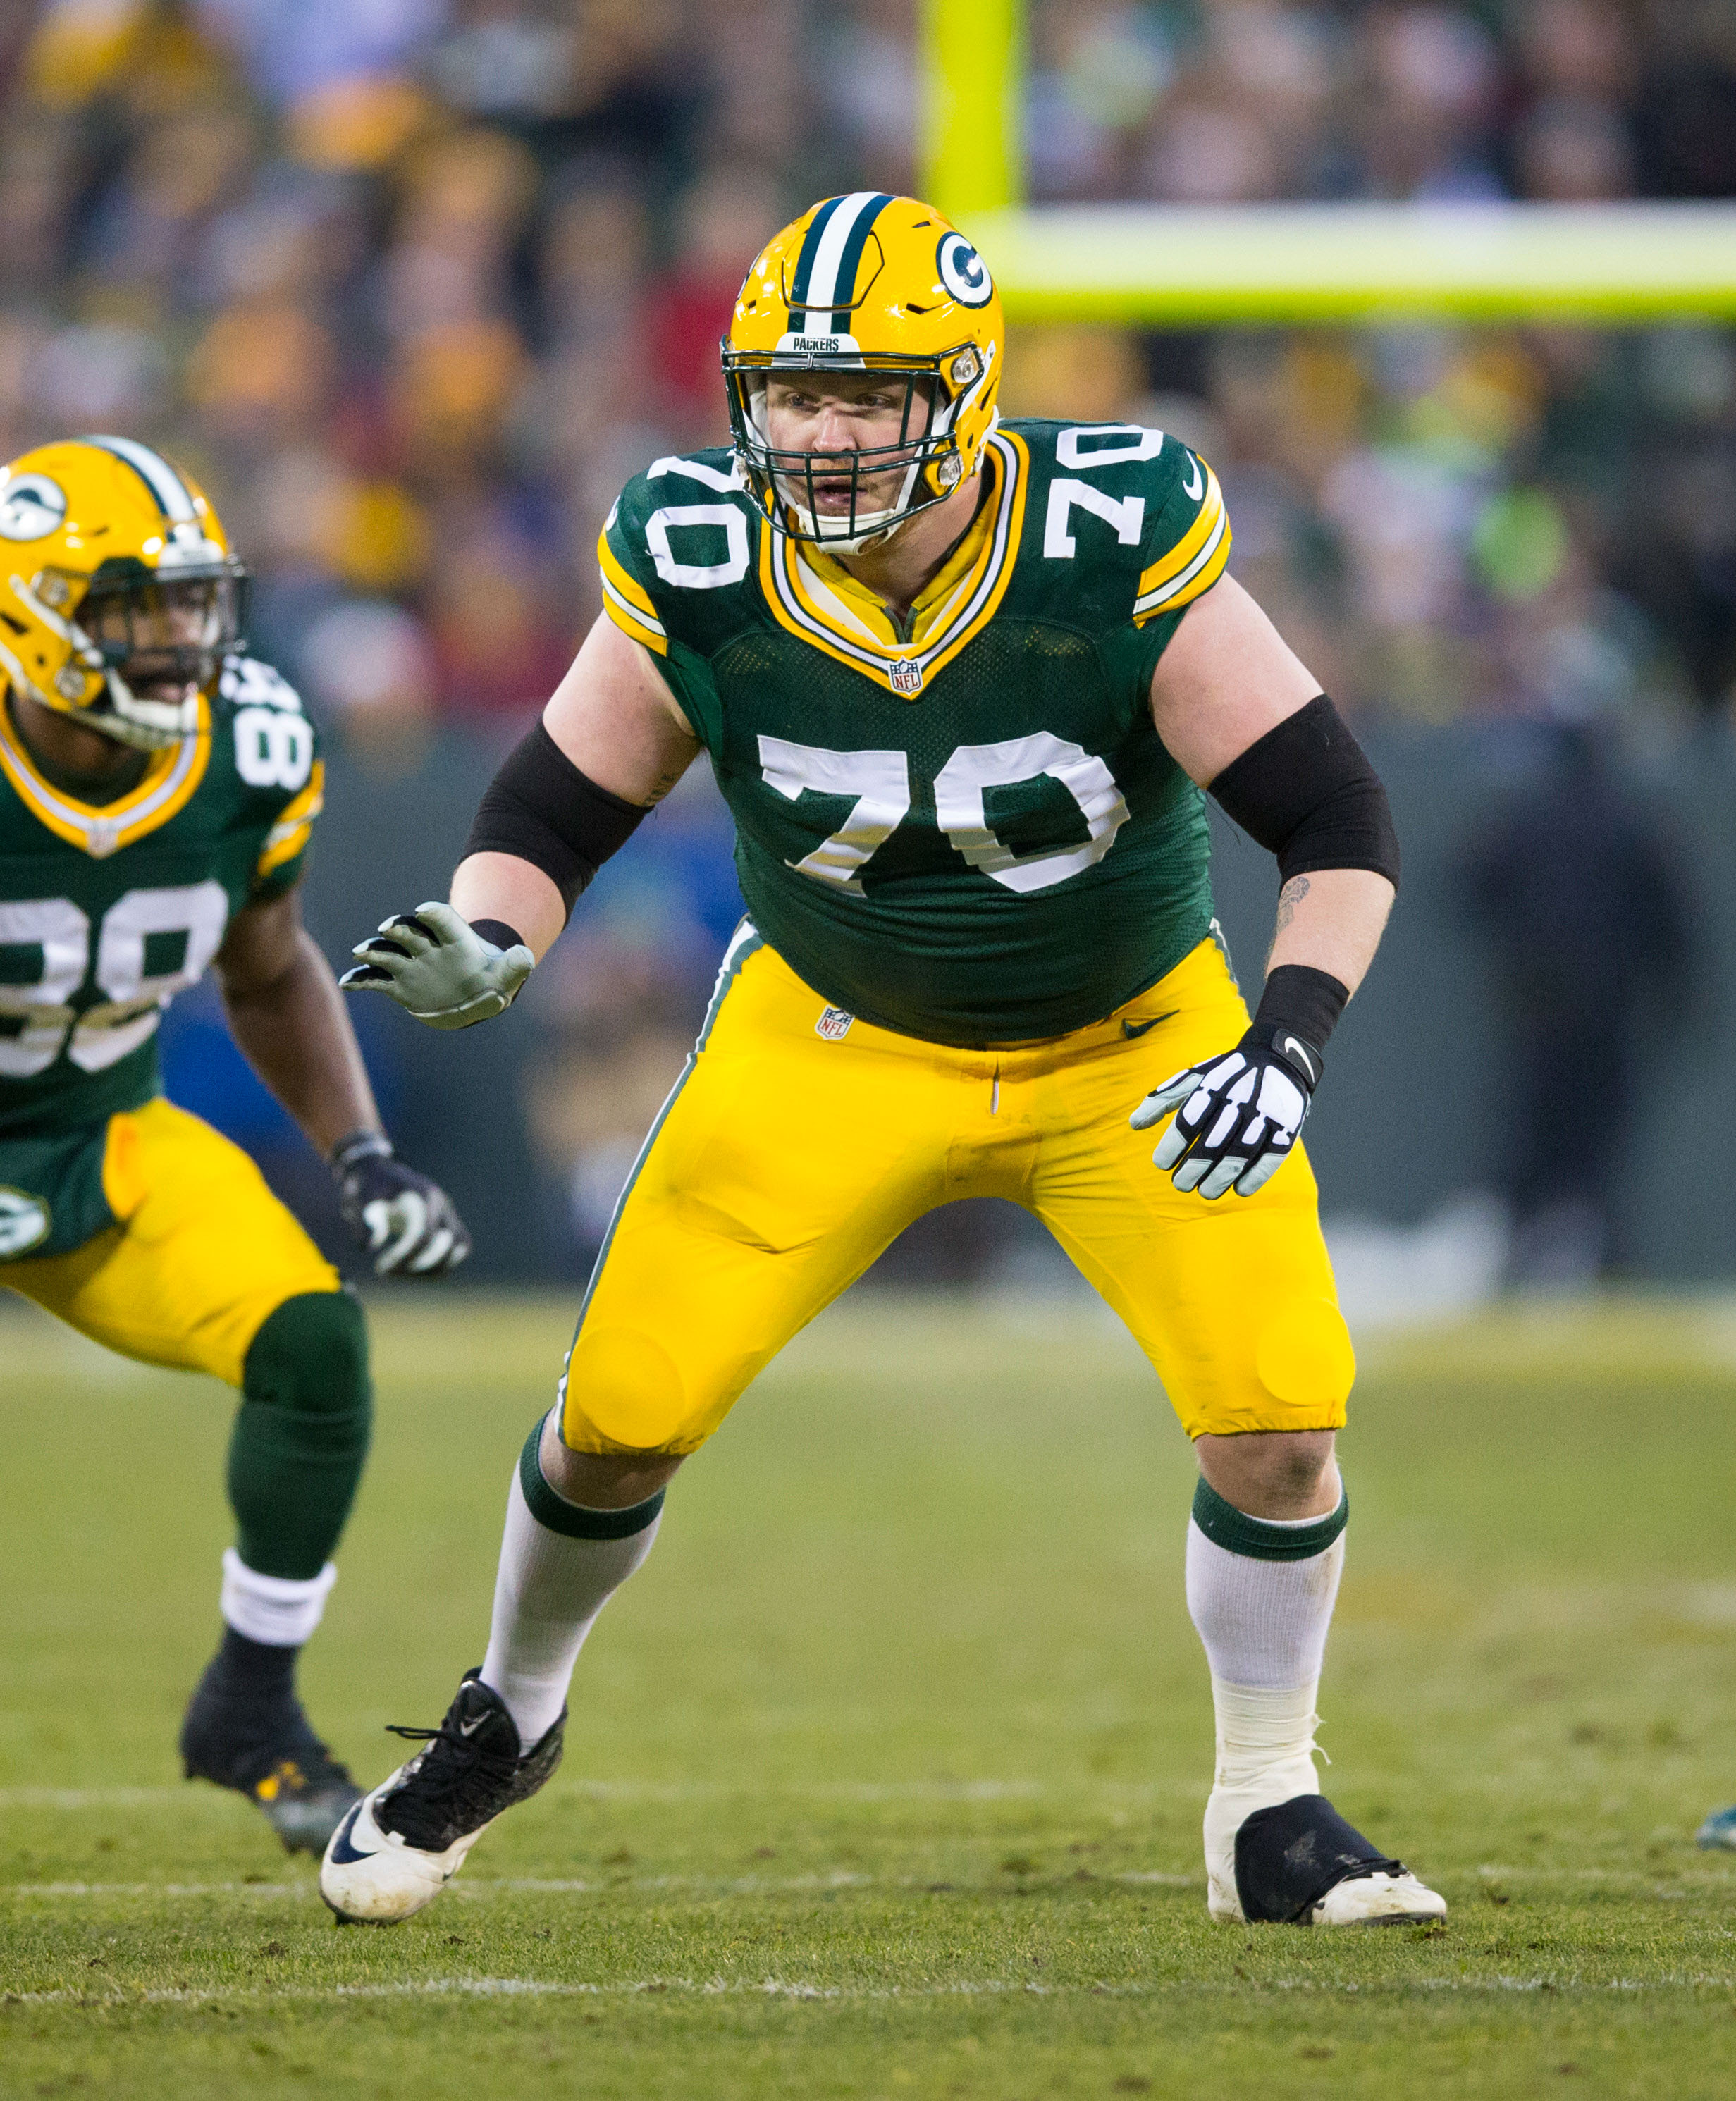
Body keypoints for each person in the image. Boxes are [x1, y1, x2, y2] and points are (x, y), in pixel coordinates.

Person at [321, 193, 1442, 1929]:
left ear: (965, 395)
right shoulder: (694, 546)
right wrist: (500, 933)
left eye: (861, 398)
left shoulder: (1105, 532)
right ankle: (507, 1714)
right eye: (787, 394)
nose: (816, 434)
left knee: (1280, 1429)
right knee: (614, 1424)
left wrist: (1285, 1047)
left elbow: (1336, 821)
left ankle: (1262, 1807)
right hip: (832, 1035)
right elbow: (551, 805)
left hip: (1130, 1039)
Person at [0, 437, 469, 1854]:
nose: (177, 641)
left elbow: (265, 972)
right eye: (135, 609)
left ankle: (248, 1708)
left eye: (192, 604)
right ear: (34, 611)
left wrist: (363, 1155)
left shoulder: (249, 744)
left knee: (314, 1347)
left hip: (97, 1137)